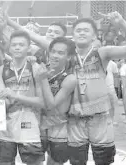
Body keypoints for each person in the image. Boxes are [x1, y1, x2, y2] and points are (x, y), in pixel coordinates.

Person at [67, 11, 126, 165]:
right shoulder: (65, 54)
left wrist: (122, 23)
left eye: (86, 30)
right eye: (78, 30)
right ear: (73, 35)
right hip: (75, 117)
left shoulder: (103, 53)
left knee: (103, 160)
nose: (82, 32)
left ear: (94, 36)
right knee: (77, 161)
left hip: (99, 117)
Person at [0, 30, 45, 165]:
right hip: (6, 129)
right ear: (9, 48)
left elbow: (42, 102)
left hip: (30, 129)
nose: (17, 47)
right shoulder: (2, 70)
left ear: (29, 48)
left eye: (21, 45)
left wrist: (14, 96)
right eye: (14, 45)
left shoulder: (36, 68)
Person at [37, 37, 77, 165]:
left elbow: (51, 105)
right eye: (53, 51)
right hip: (38, 125)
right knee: (34, 161)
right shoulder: (40, 70)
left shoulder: (70, 78)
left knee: (54, 162)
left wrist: (43, 79)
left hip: (58, 128)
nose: (54, 56)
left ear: (69, 57)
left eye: (60, 53)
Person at [106, 59, 120, 125]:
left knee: (111, 104)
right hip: (99, 86)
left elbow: (116, 76)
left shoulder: (112, 63)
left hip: (110, 86)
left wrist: (116, 88)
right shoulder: (97, 62)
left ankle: (111, 119)